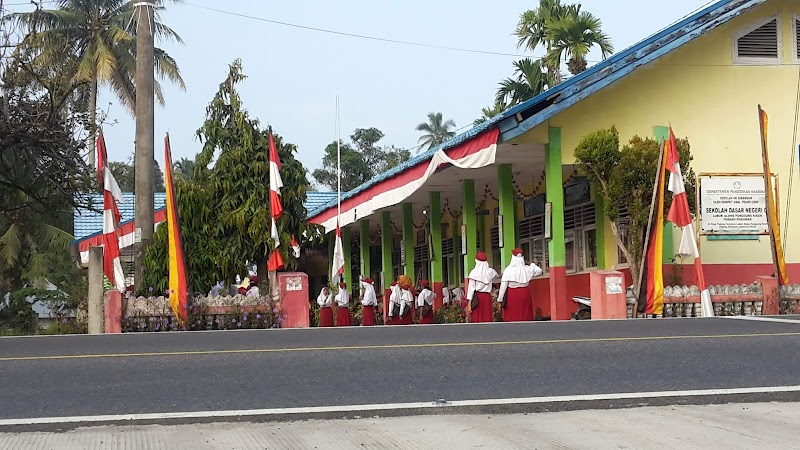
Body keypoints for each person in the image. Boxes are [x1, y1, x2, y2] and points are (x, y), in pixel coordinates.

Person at [498, 248, 543, 322]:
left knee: (512, 315)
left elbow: (503, 287)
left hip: (512, 295)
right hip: (525, 293)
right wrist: (532, 264)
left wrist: (500, 300)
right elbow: (539, 271)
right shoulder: (527, 269)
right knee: (525, 313)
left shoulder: (508, 270)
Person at [466, 251, 499, 323]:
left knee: (477, 317)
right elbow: (497, 276)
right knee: (487, 316)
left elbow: (471, 289)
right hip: (487, 297)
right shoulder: (491, 272)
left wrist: (469, 304)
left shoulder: (473, 273)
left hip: (477, 297)